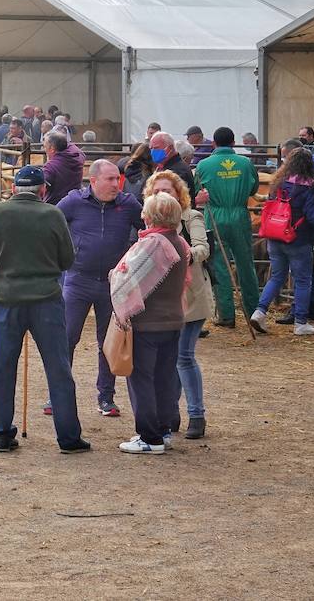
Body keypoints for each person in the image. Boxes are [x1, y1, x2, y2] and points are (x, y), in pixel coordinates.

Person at [0, 165, 88, 453]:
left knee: (0, 367)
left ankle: (1, 432)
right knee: (58, 367)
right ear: (43, 190)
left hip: (5, 299)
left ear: (14, 188)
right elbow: (67, 260)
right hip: (46, 301)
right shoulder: (53, 215)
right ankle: (68, 437)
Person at [53, 160, 143, 419]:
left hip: (113, 284)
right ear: (93, 181)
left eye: (118, 179)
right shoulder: (73, 202)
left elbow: (148, 230)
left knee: (109, 341)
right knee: (67, 338)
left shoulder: (128, 204)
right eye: (110, 179)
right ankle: (58, 394)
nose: (117, 184)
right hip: (77, 280)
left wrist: (134, 258)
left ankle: (106, 397)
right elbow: (51, 224)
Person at [114, 192, 188, 455]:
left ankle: (149, 437)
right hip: (173, 320)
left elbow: (127, 279)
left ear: (151, 216)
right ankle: (163, 430)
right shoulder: (179, 242)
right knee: (164, 378)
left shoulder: (152, 245)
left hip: (148, 323)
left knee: (142, 379)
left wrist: (115, 277)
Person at [144, 170, 212, 440]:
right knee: (167, 359)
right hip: (163, 299)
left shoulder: (191, 217)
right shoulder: (148, 220)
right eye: (157, 191)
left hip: (190, 296)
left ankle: (196, 415)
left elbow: (203, 249)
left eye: (167, 191)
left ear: (179, 194)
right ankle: (170, 414)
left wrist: (177, 252)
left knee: (183, 357)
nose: (162, 195)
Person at [250, 146, 314, 337]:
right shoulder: (310, 185)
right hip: (298, 238)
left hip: (275, 235)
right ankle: (300, 322)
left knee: (277, 276)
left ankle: (259, 312)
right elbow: (312, 214)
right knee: (303, 280)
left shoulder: (279, 182)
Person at [195, 126, 261, 328]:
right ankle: (253, 312)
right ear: (233, 143)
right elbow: (254, 189)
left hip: (215, 216)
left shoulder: (203, 165)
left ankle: (226, 315)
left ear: (214, 143)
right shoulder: (245, 163)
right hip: (240, 215)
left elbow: (197, 191)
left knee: (219, 264)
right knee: (245, 263)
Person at [41, 132, 85, 205]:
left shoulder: (50, 166)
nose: (44, 149)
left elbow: (41, 187)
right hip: (76, 202)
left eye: (45, 146)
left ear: (52, 148)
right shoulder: (78, 155)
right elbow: (70, 145)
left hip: (56, 205)